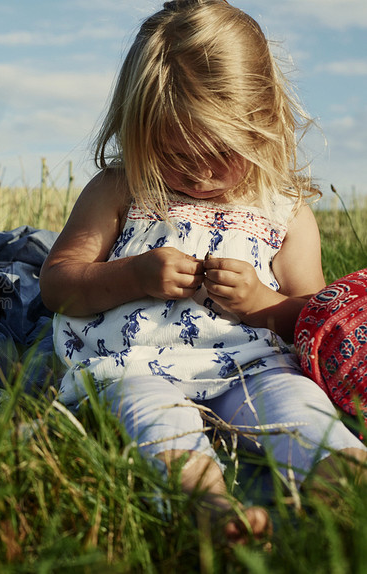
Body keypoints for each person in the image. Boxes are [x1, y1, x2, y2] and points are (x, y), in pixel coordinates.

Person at [38, 0, 367, 544]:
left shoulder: (283, 210)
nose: (198, 172)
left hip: (256, 367)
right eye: (174, 154)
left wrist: (261, 300)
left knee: (302, 411)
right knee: (155, 422)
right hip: (137, 366)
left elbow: (314, 321)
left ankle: (340, 488)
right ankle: (209, 509)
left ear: (262, 124)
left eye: (219, 153)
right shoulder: (122, 190)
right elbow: (58, 285)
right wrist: (133, 276)